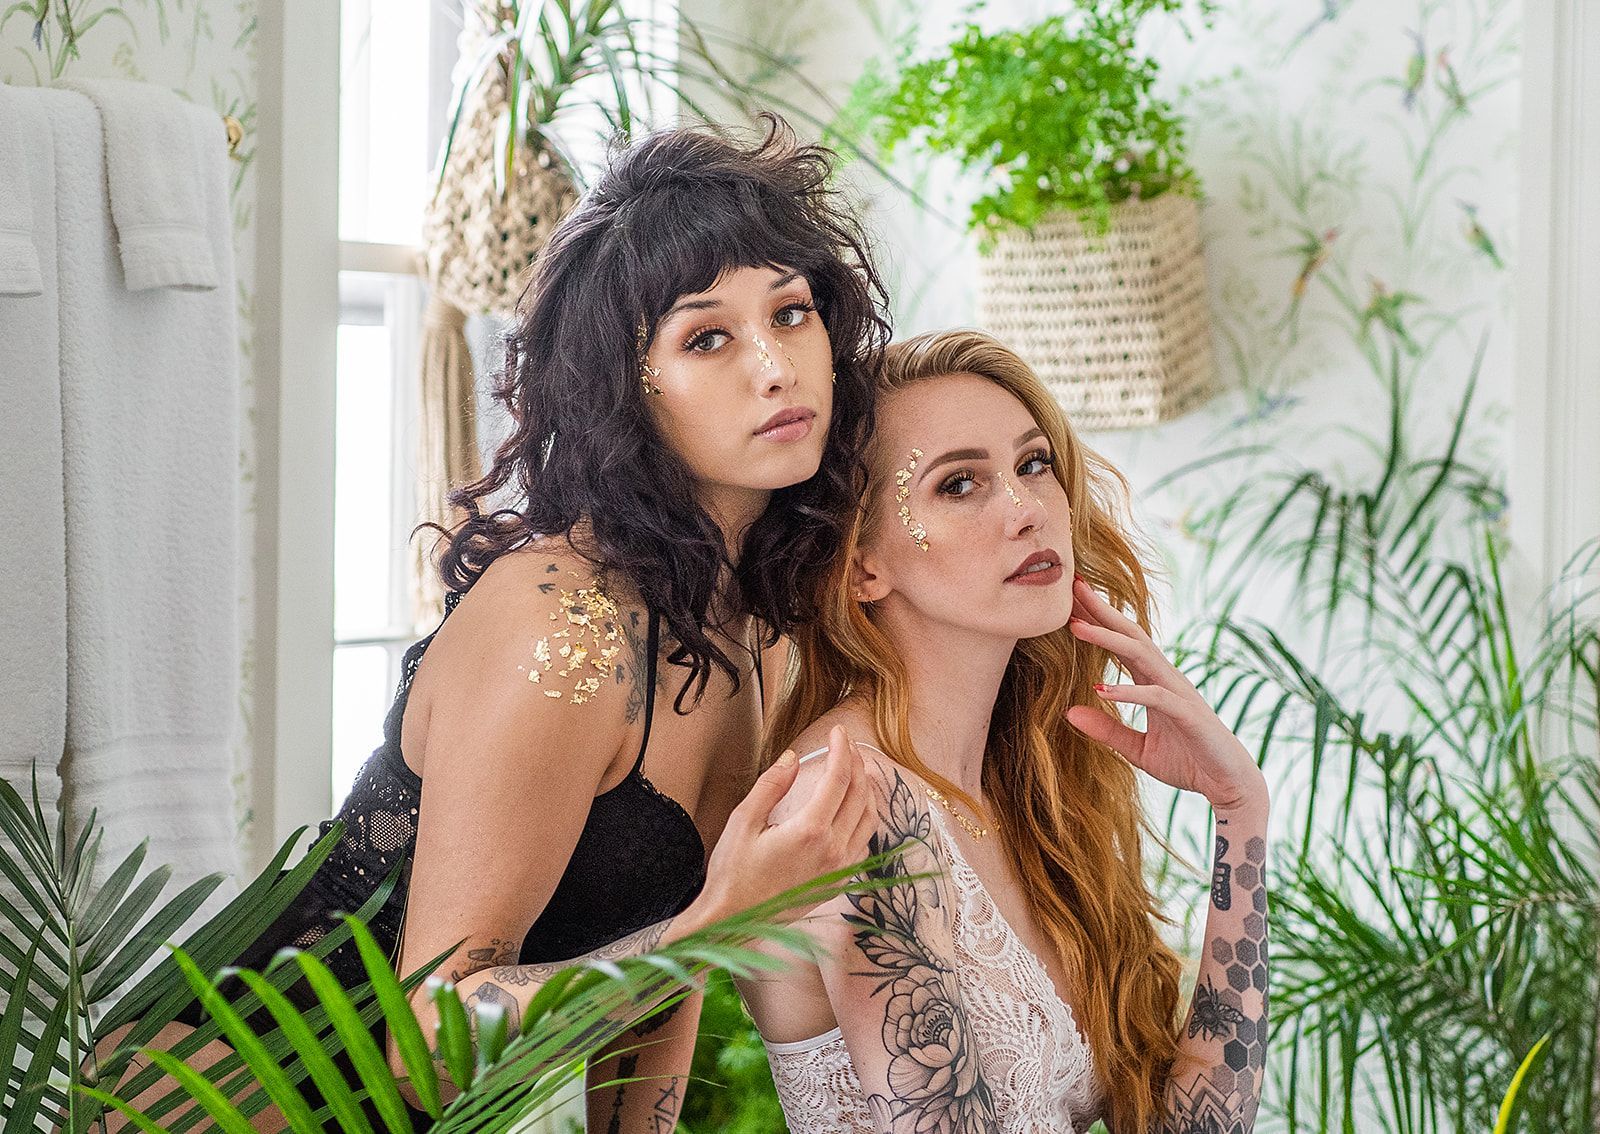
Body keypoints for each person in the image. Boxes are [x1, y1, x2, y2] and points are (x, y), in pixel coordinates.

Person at [96, 115, 890, 1133]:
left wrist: (700, 939)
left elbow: (666, 985)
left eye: (790, 312)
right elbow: (428, 1039)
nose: (776, 366)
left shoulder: (758, 626)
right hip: (211, 1104)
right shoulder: (562, 626)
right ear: (624, 389)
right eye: (707, 337)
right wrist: (711, 927)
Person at [736, 330, 1273, 1134]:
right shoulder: (848, 802)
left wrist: (1240, 812)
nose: (1027, 510)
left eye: (1033, 464)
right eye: (959, 484)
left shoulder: (1028, 786)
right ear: (862, 566)